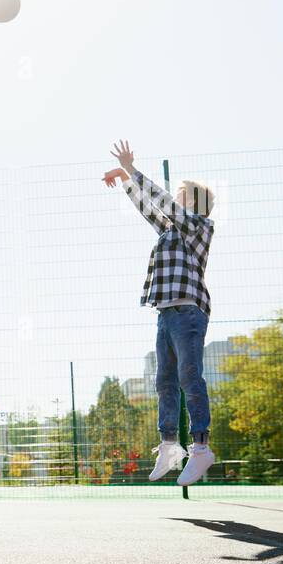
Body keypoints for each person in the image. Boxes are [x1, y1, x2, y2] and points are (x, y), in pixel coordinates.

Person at [103, 139, 217, 486]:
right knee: (164, 381)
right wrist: (126, 179)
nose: (175, 200)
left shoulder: (199, 227)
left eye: (180, 195)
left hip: (188, 311)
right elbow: (149, 208)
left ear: (192, 201)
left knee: (189, 377)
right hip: (166, 313)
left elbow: (164, 202)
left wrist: (132, 169)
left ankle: (201, 447)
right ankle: (169, 443)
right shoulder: (169, 231)